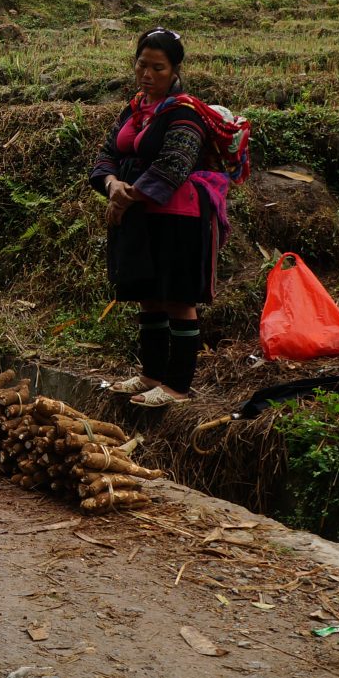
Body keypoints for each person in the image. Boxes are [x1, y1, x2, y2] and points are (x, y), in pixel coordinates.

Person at [89, 27, 232, 409]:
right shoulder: (134, 108)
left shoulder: (185, 113)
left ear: (175, 70)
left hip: (177, 218)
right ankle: (150, 375)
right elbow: (107, 154)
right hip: (140, 218)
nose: (147, 74)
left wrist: (123, 199)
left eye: (158, 67)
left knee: (178, 299)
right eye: (142, 65)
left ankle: (178, 388)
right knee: (148, 298)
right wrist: (111, 183)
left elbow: (175, 165)